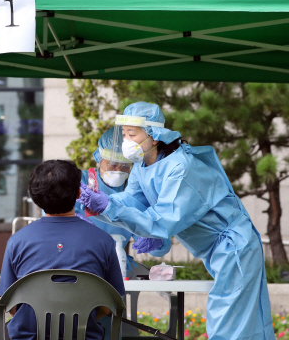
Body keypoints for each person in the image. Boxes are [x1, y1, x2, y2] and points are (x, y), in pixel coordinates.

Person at [78, 102, 273, 340]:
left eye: (133, 134)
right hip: (216, 249)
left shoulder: (180, 167)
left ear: (154, 136)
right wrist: (100, 207)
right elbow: (134, 201)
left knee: (229, 324)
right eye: (125, 134)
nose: (126, 141)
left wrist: (109, 208)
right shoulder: (142, 165)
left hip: (233, 247)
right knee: (241, 322)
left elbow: (162, 221)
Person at [0, 159, 125, 340]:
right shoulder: (103, 241)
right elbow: (109, 304)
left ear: (35, 198)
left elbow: (10, 305)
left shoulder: (17, 241)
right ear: (79, 193)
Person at [77, 128, 172, 269]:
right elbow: (52, 212)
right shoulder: (80, 181)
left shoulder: (136, 193)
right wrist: (75, 222)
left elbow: (150, 230)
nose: (118, 170)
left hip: (116, 263)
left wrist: (155, 237)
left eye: (126, 166)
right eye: (113, 164)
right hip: (78, 261)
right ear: (99, 157)